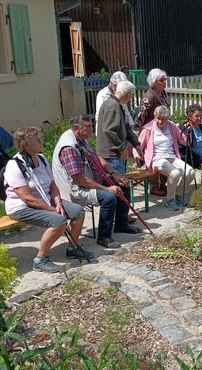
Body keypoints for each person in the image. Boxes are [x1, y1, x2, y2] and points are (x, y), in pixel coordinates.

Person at [4, 127, 87, 273]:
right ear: (26, 145)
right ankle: (40, 260)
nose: (41, 140)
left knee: (78, 212)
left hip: (45, 199)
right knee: (59, 220)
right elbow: (27, 199)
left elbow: (52, 185)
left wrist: (58, 203)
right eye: (37, 139)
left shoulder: (41, 158)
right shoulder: (14, 165)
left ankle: (73, 249)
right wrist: (53, 209)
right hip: (21, 207)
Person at [53, 114, 130, 250]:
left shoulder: (81, 139)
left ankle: (121, 224)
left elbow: (96, 158)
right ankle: (104, 237)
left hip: (89, 181)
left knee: (122, 184)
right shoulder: (69, 147)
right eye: (88, 126)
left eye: (91, 126)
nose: (92, 129)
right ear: (76, 128)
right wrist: (106, 189)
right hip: (75, 190)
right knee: (109, 197)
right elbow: (79, 179)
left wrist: (115, 174)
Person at [96, 80, 142, 235]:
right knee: (120, 189)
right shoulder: (112, 106)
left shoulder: (116, 105)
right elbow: (109, 130)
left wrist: (135, 143)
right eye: (131, 96)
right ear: (128, 95)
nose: (130, 98)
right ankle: (118, 225)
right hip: (111, 155)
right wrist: (122, 148)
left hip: (115, 154)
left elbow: (125, 129)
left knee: (124, 188)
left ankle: (121, 222)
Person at [138, 106, 195, 212]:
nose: (160, 121)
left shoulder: (171, 126)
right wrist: (136, 156)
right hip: (156, 159)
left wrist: (189, 132)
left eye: (163, 119)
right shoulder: (148, 128)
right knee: (175, 173)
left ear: (167, 118)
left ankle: (178, 195)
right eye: (158, 118)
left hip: (171, 156)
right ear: (154, 117)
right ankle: (170, 199)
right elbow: (138, 145)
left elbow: (184, 141)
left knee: (190, 172)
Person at [137, 68, 170, 196]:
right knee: (152, 157)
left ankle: (163, 184)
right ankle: (154, 186)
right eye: (162, 80)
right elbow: (141, 117)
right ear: (154, 82)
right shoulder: (149, 96)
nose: (164, 82)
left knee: (164, 154)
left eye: (164, 80)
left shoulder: (163, 93)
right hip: (152, 131)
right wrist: (147, 131)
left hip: (163, 128)